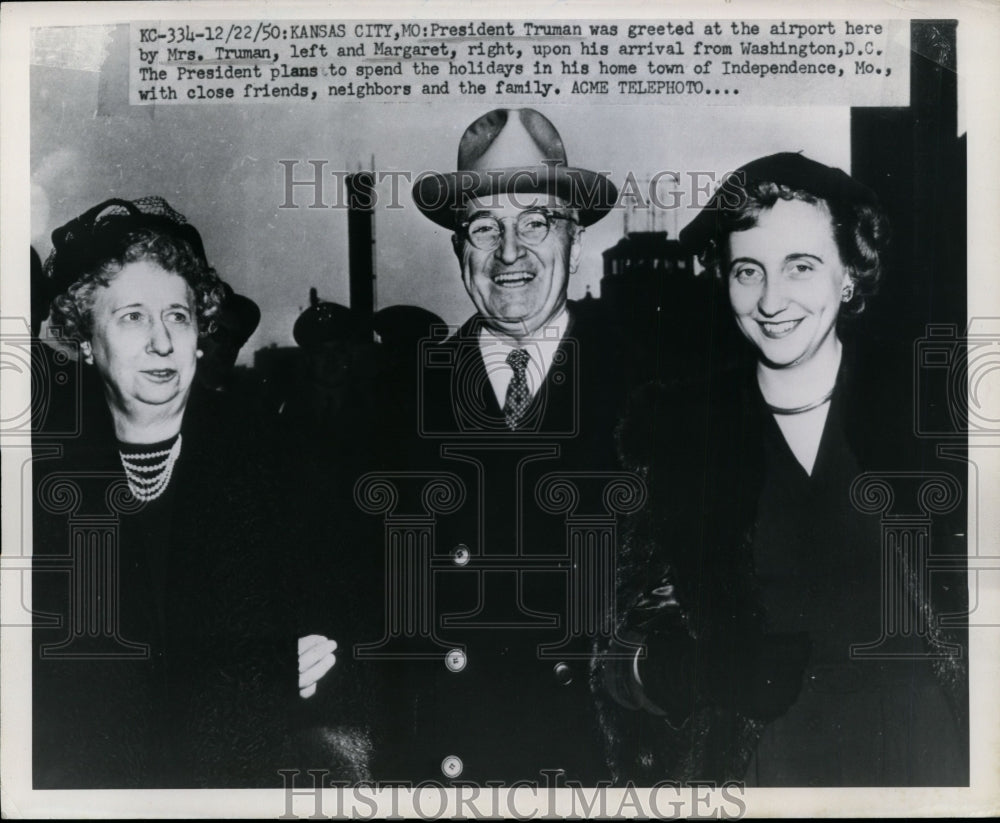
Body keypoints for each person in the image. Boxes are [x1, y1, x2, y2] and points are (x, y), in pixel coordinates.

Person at [301, 108, 644, 784]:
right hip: (438, 779)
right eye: (485, 227)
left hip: (592, 778)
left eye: (535, 223)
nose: (509, 253)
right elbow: (335, 593)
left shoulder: (648, 392)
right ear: (461, 250)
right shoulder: (391, 403)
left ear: (575, 239)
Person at [603, 153, 968, 786]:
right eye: (749, 271)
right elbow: (613, 658)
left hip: (923, 761)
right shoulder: (673, 433)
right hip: (759, 771)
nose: (771, 301)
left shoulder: (936, 413)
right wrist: (690, 671)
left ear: (849, 273)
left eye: (801, 266)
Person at [32, 197, 295, 787]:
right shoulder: (39, 478)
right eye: (132, 317)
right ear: (84, 338)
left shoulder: (274, 466)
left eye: (178, 316)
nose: (161, 342)